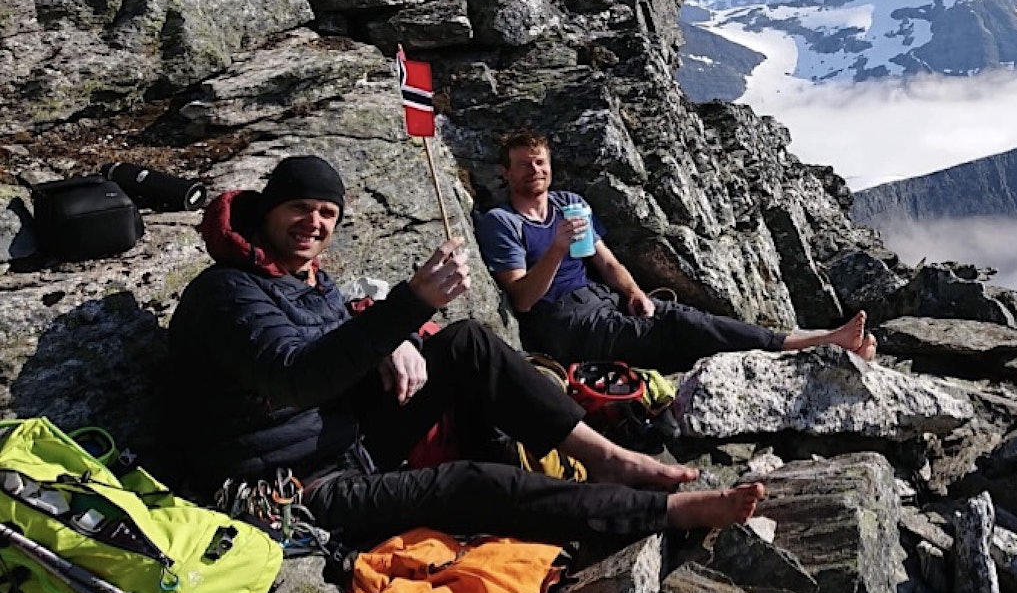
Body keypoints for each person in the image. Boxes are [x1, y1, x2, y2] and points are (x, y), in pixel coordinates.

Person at [166, 154, 763, 545]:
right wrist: (409, 305)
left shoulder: (302, 279)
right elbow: (293, 376)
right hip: (290, 486)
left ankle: (605, 456)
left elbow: (337, 331)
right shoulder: (225, 294)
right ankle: (667, 514)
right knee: (468, 484)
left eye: (327, 214)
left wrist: (394, 336)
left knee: (469, 343)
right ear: (267, 210)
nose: (315, 224)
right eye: (300, 208)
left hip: (347, 439)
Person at [476, 130, 878, 373]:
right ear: (506, 173)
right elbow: (524, 299)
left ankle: (817, 342)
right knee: (680, 327)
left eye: (540, 162)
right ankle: (817, 344)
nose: (535, 171)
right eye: (524, 165)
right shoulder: (503, 223)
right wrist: (557, 248)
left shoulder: (568, 202)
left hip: (603, 301)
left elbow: (607, 261)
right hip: (565, 323)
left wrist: (633, 293)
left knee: (676, 317)